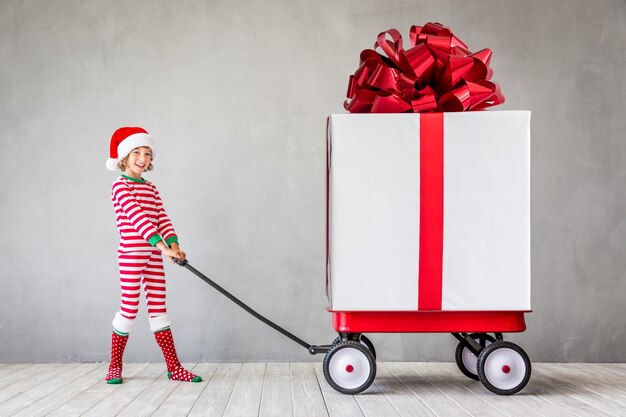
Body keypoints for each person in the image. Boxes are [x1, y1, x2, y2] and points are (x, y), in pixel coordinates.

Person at [104, 126, 201, 384]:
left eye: (147, 153)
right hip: (132, 256)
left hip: (154, 255)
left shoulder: (151, 188)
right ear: (124, 156)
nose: (142, 158)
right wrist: (164, 248)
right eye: (136, 152)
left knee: (159, 310)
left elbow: (161, 219)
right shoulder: (120, 187)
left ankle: (174, 367)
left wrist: (174, 243)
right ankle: (114, 366)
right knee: (129, 309)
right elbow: (139, 221)